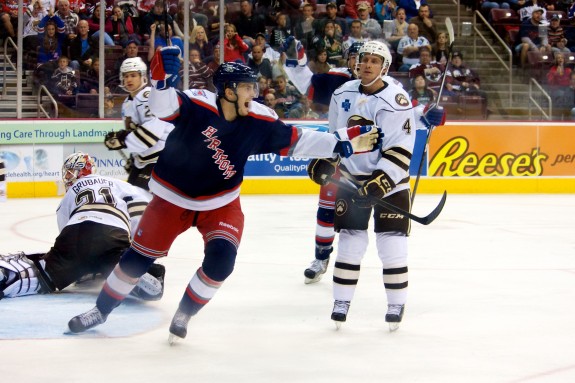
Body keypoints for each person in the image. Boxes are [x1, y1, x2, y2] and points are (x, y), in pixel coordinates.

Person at [67, 50, 382, 341]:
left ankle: (184, 314)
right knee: (137, 260)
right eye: (248, 88)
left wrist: (343, 140)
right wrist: (161, 82)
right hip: (171, 199)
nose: (254, 94)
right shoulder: (198, 104)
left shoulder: (259, 119)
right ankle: (101, 310)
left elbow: (297, 140)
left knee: (221, 262)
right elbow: (163, 107)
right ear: (229, 90)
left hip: (220, 204)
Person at [306, 40, 445, 330]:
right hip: (351, 182)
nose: (367, 64)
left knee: (392, 245)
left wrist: (379, 183)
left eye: (374, 60)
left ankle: (396, 304)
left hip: (391, 184)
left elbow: (400, 147)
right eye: (364, 59)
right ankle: (341, 302)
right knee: (350, 243)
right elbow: (335, 137)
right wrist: (326, 161)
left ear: (384, 67)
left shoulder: (396, 99)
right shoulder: (341, 93)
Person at [0, 152, 164, 301]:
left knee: (46, 272)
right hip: (114, 233)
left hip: (79, 229)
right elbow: (142, 204)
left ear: (82, 170)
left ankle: (8, 276)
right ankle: (136, 271)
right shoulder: (119, 184)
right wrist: (138, 246)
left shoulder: (72, 191)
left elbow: (65, 230)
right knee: (116, 264)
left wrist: (70, 261)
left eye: (70, 172)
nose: (67, 177)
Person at [303, 42, 364, 284]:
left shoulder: (388, 88)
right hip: (339, 156)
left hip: (370, 164)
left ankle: (353, 261)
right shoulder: (337, 80)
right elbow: (306, 83)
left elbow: (406, 114)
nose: (360, 63)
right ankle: (321, 257)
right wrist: (295, 59)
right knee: (326, 209)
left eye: (366, 58)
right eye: (355, 57)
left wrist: (425, 115)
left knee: (358, 218)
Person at [103, 57, 174, 193]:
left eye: (133, 75)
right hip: (143, 161)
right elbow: (135, 132)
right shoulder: (127, 102)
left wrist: (122, 140)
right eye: (126, 76)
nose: (129, 79)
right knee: (130, 199)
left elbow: (151, 135)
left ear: (142, 76)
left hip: (160, 160)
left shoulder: (147, 97)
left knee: (138, 200)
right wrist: (134, 156)